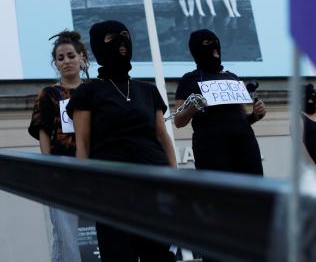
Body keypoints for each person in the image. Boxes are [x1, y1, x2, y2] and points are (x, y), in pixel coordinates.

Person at [66, 20, 176, 262]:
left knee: (157, 251)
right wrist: (83, 185)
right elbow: (82, 143)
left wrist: (175, 178)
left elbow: (162, 136)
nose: (121, 42)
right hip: (110, 187)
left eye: (125, 35)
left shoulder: (147, 91)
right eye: (111, 37)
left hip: (152, 182)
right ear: (98, 46)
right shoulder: (88, 92)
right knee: (118, 252)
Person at [28, 30, 90, 262]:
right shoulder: (48, 94)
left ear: (82, 57)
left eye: (71, 56)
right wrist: (48, 165)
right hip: (62, 169)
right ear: (55, 63)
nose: (66, 61)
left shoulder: (94, 91)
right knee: (65, 234)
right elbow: (43, 131)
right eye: (60, 58)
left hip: (95, 166)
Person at [173, 29, 266, 176]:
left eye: (216, 42)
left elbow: (239, 119)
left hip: (244, 145)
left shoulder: (232, 77)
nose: (214, 46)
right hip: (212, 149)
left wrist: (255, 115)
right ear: (197, 49)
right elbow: (178, 121)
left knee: (253, 192)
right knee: (221, 195)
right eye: (207, 43)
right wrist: (193, 107)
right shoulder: (189, 79)